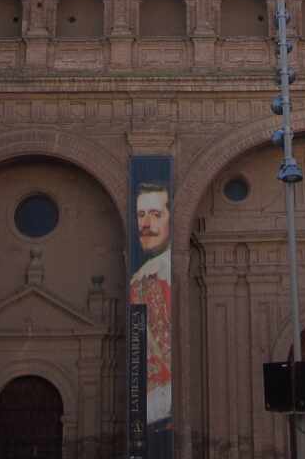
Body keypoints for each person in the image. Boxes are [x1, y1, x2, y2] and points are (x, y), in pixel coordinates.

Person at [129, 181, 173, 425]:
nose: (146, 224)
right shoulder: (140, 278)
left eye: (156, 215)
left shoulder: (164, 274)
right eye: (141, 215)